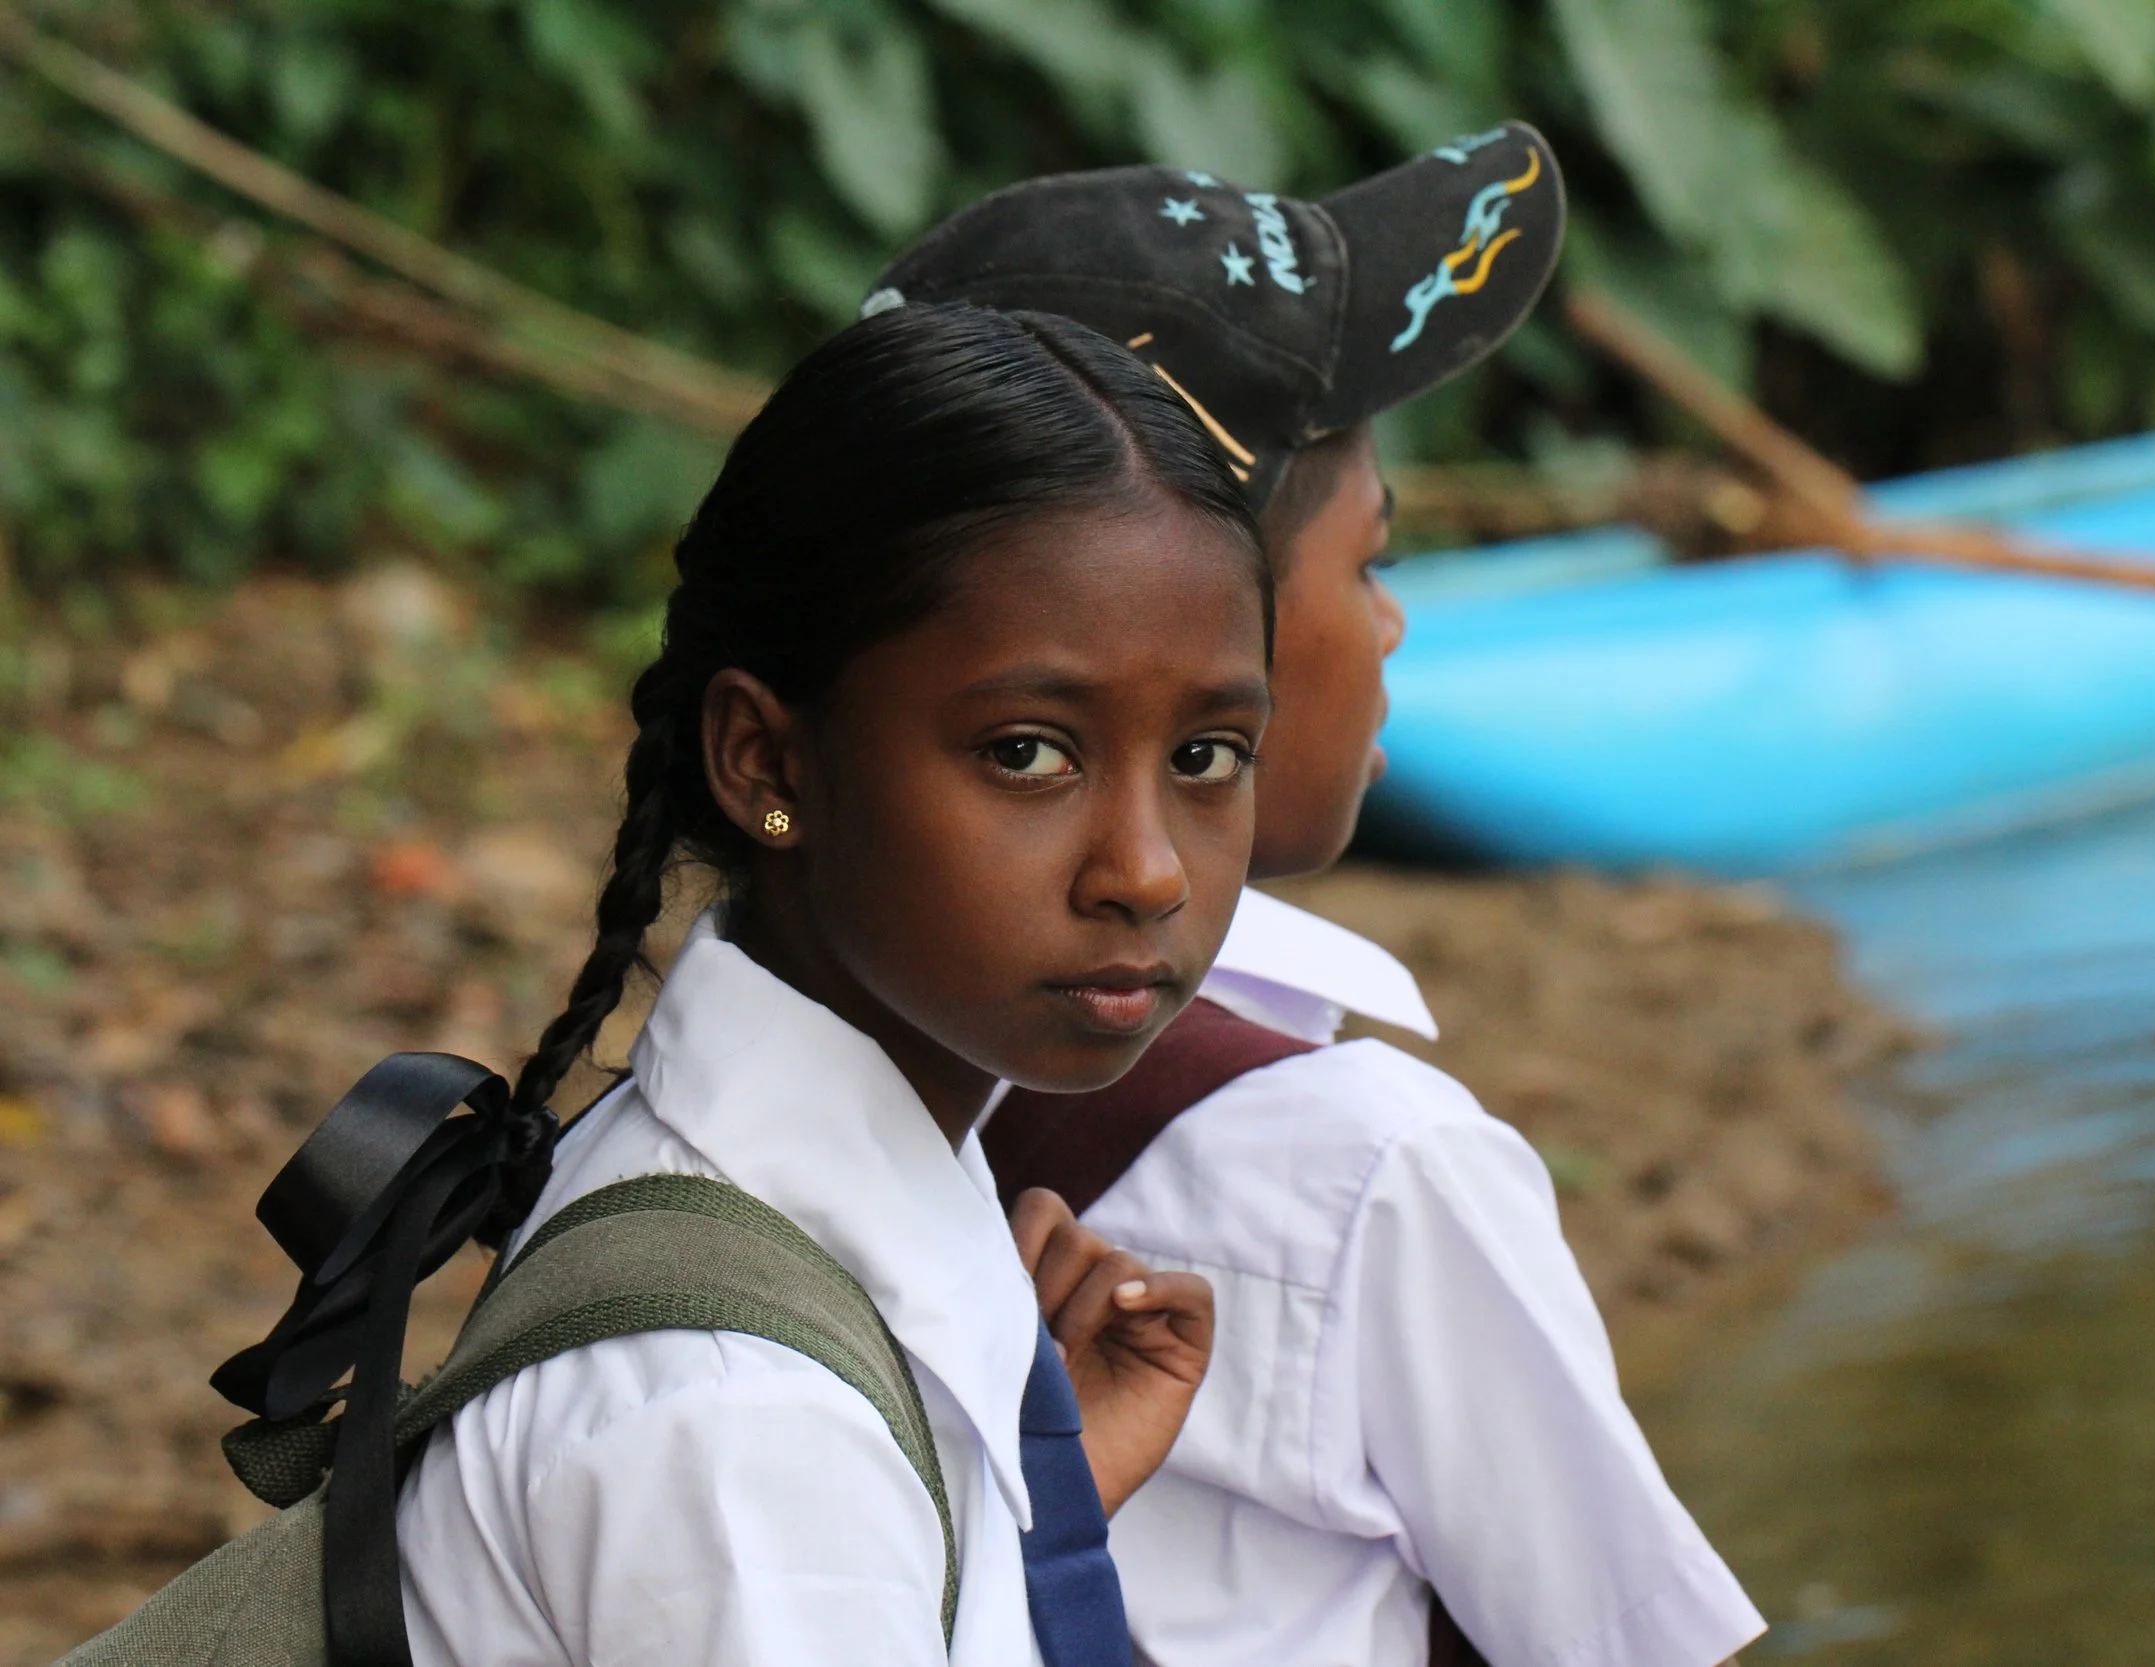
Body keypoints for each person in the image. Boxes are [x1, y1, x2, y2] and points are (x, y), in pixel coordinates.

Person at [868, 126, 1768, 1667]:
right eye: (1369, 563)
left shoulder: (782, 1076)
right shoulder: (1375, 1168)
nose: (1393, 623)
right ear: (1200, 637)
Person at [392, 302, 1274, 1666]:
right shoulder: (744, 1424)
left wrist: (1028, 1521)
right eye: (1028, 752)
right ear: (768, 762)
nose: (1148, 870)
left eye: (1207, 756)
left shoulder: (813, 1216)